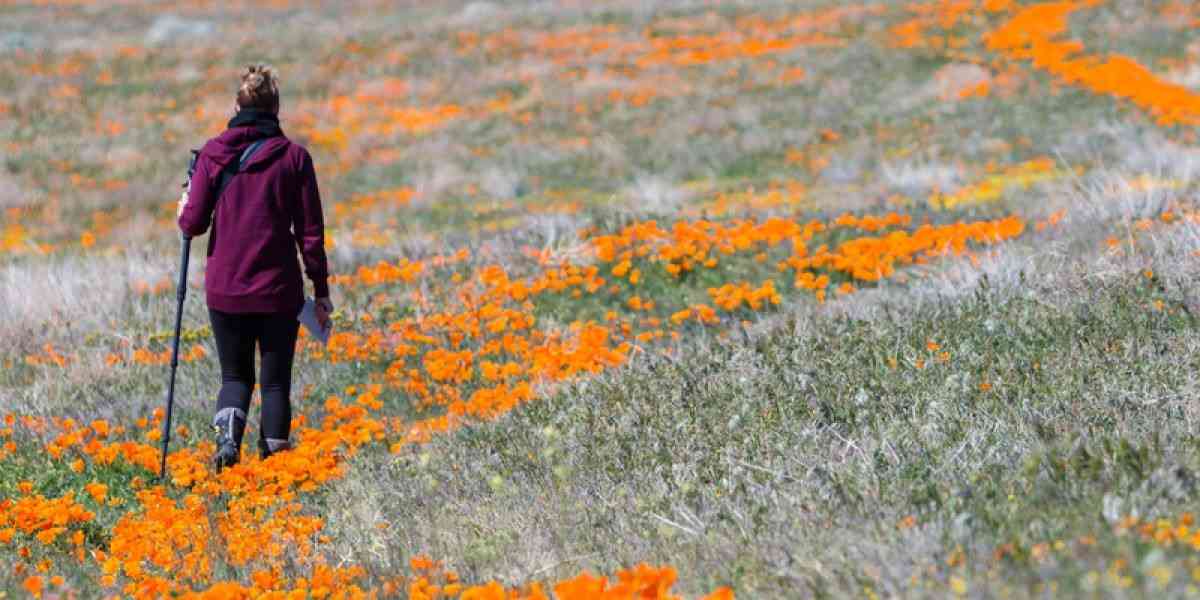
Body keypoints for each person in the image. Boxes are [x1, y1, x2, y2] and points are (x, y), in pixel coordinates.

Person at [178, 64, 333, 471]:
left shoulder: (213, 153)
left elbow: (191, 224)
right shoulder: (295, 158)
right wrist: (321, 291)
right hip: (279, 289)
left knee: (234, 377)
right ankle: (276, 469)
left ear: (235, 105)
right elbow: (311, 234)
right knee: (276, 380)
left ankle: (228, 442)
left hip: (225, 287)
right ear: (276, 108)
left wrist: (184, 202)